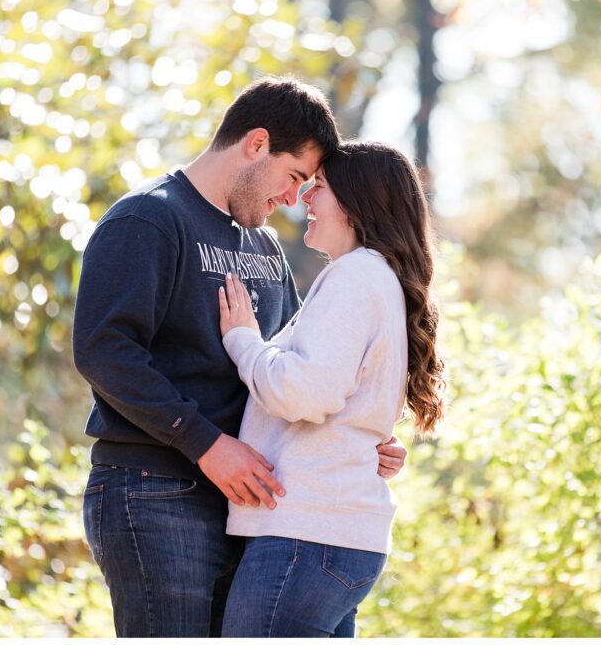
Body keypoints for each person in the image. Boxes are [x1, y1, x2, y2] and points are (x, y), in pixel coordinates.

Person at [72, 77, 408, 638]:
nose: (295, 199)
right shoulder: (148, 220)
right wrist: (205, 444)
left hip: (248, 503)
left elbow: (298, 367)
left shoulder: (265, 249)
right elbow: (104, 351)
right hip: (154, 489)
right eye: (295, 176)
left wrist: (357, 433)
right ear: (256, 144)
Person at [216, 141, 447, 637]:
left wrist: (243, 341)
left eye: (318, 187)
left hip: (307, 534)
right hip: (331, 537)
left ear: (355, 203)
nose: (304, 200)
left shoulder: (355, 277)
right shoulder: (376, 278)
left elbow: (307, 392)